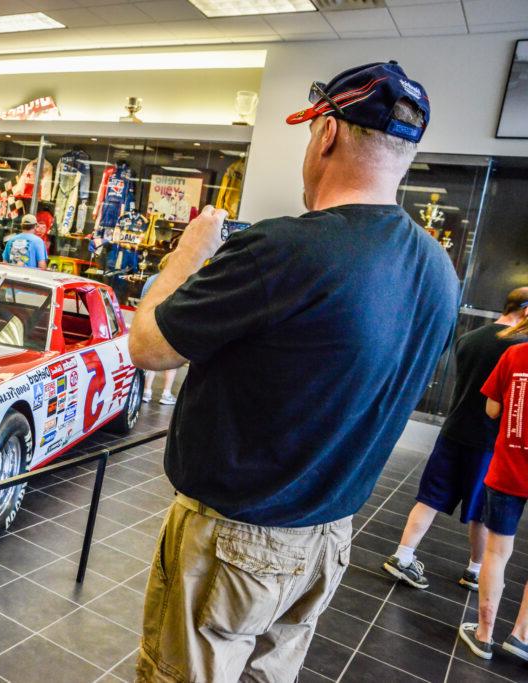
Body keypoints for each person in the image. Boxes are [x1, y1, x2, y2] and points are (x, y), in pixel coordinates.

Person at [129, 61, 458, 682]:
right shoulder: (438, 270)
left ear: (326, 134)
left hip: (235, 542)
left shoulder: (287, 247)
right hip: (327, 538)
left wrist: (184, 259)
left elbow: (149, 347)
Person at [383, 289, 528, 591]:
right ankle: (475, 571)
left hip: (454, 430)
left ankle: (403, 555)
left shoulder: (469, 339)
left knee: (430, 498)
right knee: (480, 513)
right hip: (489, 442)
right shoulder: (520, 348)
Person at [458, 326, 528, 663]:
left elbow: (491, 409)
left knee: (497, 553)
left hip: (508, 468)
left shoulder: (515, 354)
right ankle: (521, 636)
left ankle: (484, 635)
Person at [141, 255, 179, 406]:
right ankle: (166, 393)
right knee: (172, 360)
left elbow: (143, 300)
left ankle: (146, 391)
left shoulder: (151, 279)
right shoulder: (177, 281)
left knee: (150, 358)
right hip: (169, 324)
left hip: (150, 322)